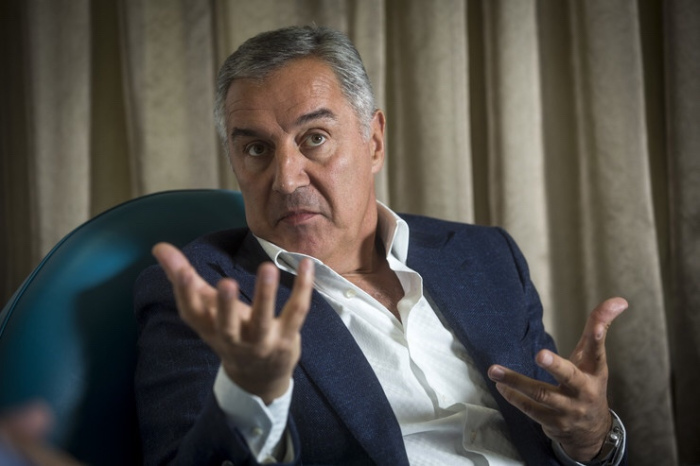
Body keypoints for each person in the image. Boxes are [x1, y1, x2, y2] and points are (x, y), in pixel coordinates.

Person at [134, 25, 628, 465]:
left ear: (373, 142)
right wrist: (250, 398)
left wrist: (593, 440)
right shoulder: (205, 293)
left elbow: (560, 428)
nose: (286, 180)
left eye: (314, 138)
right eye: (257, 149)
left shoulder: (485, 255)